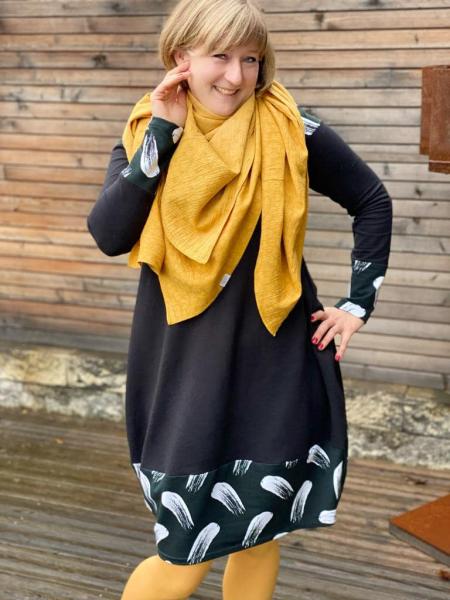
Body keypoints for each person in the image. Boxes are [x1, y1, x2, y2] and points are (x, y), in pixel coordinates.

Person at [86, 0, 393, 598]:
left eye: (250, 59)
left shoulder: (290, 129)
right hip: (184, 366)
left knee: (259, 531)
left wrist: (357, 304)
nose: (235, 76)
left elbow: (371, 200)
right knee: (184, 549)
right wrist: (163, 134)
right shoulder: (146, 133)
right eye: (220, 56)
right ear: (181, 57)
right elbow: (109, 233)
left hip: (276, 361)